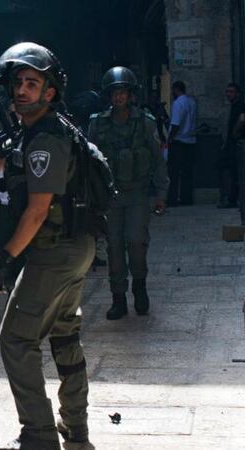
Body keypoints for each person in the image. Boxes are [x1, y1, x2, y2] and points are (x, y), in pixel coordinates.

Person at [0, 43, 96, 450]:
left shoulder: (46, 139)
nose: (21, 90)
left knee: (16, 340)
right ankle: (75, 430)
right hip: (72, 248)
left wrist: (4, 260)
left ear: (49, 92)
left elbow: (38, 211)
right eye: (17, 84)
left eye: (32, 83)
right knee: (63, 335)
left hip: (54, 251)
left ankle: (39, 436)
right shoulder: (37, 131)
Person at [88, 67, 169, 320]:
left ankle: (140, 287)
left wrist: (161, 194)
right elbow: (89, 163)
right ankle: (118, 297)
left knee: (136, 242)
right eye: (114, 93)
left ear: (130, 95)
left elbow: (158, 161)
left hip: (137, 194)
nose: (118, 98)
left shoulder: (145, 123)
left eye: (122, 93)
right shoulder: (97, 124)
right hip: (111, 196)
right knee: (113, 247)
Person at [166, 80, 198, 206]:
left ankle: (172, 199)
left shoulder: (178, 103)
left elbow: (175, 124)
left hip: (179, 141)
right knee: (187, 172)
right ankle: (187, 198)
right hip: (191, 140)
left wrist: (170, 138)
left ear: (176, 89)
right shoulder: (192, 102)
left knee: (173, 172)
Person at [219, 83, 245, 208]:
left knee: (235, 172)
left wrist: (235, 132)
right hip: (232, 143)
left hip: (237, 143)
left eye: (231, 92)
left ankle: (232, 199)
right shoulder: (234, 105)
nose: (228, 94)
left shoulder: (239, 105)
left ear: (237, 93)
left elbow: (242, 119)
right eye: (227, 91)